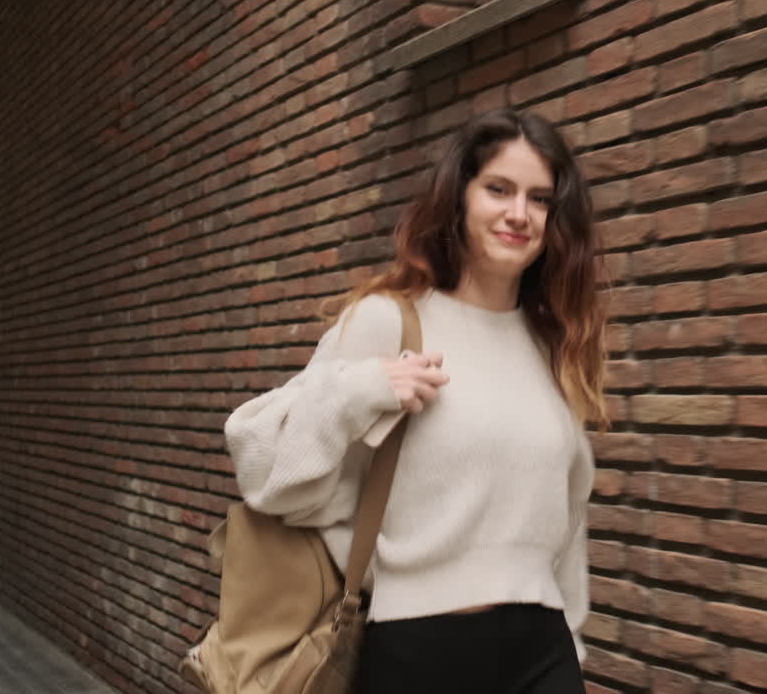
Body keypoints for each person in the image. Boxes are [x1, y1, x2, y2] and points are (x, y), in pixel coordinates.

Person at [222, 107, 607, 693]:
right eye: (498, 189)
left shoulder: (553, 346)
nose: (518, 214)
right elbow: (263, 468)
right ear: (459, 198)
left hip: (541, 654)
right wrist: (362, 391)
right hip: (418, 653)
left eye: (540, 199)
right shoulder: (390, 323)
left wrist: (571, 646)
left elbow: (568, 519)